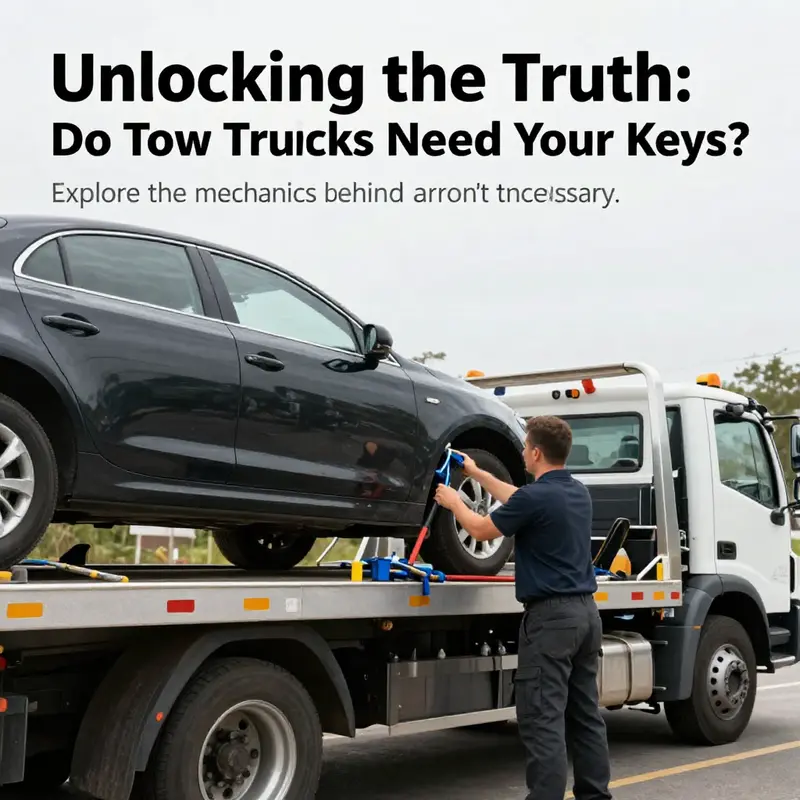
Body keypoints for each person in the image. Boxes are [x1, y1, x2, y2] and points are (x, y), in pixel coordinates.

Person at [434, 415, 612, 800]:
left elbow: (481, 530)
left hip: (551, 621)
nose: (520, 452)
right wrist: (478, 473)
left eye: (524, 446)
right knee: (585, 716)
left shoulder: (536, 498)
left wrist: (454, 502)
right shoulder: (577, 492)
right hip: (585, 616)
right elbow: (517, 498)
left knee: (543, 719)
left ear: (535, 452)